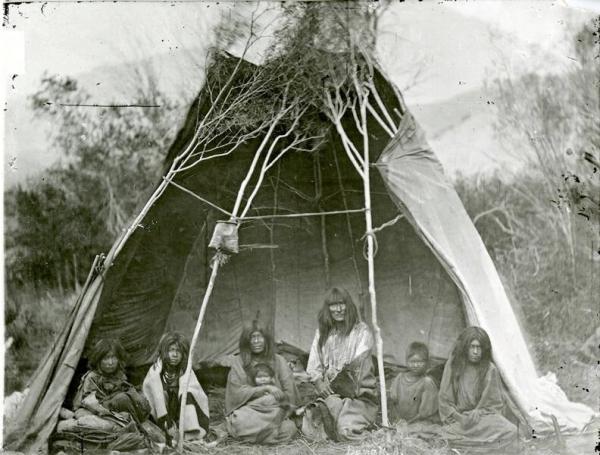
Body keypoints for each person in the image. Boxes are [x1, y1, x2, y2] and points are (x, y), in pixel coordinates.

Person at [305, 287, 377, 441]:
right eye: (333, 305)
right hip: (331, 395)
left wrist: (335, 386)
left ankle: (351, 424)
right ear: (327, 308)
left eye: (342, 304)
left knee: (346, 431)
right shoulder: (323, 333)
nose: (338, 309)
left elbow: (356, 370)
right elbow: (313, 366)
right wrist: (319, 383)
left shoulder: (361, 332)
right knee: (310, 428)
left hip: (358, 397)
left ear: (348, 305)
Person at [438, 326, 517, 452]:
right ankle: (482, 448)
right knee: (443, 433)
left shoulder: (490, 369)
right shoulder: (454, 365)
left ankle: (468, 448)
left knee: (511, 430)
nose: (475, 352)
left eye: (479, 347)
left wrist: (478, 412)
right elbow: (444, 401)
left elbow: (494, 405)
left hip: (481, 421)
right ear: (465, 347)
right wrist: (460, 418)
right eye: (472, 347)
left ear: (484, 349)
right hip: (459, 421)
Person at [225, 321, 299, 444]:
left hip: (276, 411)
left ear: (267, 339)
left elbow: (289, 392)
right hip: (249, 413)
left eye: (259, 337)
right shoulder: (239, 362)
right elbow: (235, 393)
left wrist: (280, 405)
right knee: (238, 422)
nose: (256, 341)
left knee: (288, 428)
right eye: (252, 337)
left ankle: (256, 436)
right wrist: (266, 389)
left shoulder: (279, 361)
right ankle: (267, 435)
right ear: (246, 341)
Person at [142, 332, 210, 446]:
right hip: (160, 418)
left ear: (184, 354)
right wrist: (166, 422)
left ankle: (190, 432)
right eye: (171, 350)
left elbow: (197, 395)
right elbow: (151, 397)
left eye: (178, 351)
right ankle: (166, 432)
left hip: (181, 416)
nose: (174, 355)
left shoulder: (186, 371)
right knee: (162, 394)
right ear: (164, 352)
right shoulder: (155, 372)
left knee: (188, 393)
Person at [73, 338, 151, 424]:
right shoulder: (92, 377)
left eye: (113, 357)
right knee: (122, 399)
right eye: (106, 358)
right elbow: (89, 403)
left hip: (114, 409)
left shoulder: (119, 375)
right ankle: (136, 424)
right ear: (98, 360)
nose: (110, 362)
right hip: (96, 409)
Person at [389, 342, 439, 425]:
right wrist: (397, 419)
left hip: (419, 422)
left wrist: (408, 423)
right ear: (406, 362)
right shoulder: (400, 378)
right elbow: (393, 401)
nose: (416, 365)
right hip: (400, 421)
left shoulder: (427, 383)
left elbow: (425, 413)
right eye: (412, 362)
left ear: (427, 362)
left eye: (420, 362)